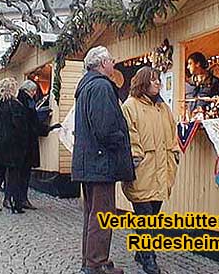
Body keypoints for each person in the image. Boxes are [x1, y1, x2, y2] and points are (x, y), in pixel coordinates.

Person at [72, 46, 134, 274]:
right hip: (101, 162)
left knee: (92, 213)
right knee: (103, 215)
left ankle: (91, 260)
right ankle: (95, 264)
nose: (114, 63)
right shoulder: (101, 87)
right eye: (111, 60)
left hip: (89, 162)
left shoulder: (87, 86)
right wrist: (122, 141)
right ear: (102, 63)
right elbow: (106, 128)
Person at [121, 67, 180, 274]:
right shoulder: (130, 106)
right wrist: (137, 158)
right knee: (144, 216)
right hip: (143, 170)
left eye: (158, 80)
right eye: (153, 80)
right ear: (143, 82)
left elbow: (173, 133)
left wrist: (174, 154)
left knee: (153, 215)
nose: (157, 83)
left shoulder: (163, 108)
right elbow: (129, 135)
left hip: (162, 170)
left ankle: (141, 251)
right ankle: (149, 258)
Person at [0, 78, 30, 214]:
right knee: (14, 174)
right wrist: (23, 143)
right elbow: (21, 128)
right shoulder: (15, 105)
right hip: (13, 146)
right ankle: (15, 203)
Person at [16, 80, 61, 210]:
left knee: (19, 173)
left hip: (22, 143)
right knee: (24, 173)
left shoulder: (20, 101)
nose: (35, 93)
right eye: (34, 91)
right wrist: (47, 128)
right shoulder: (28, 103)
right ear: (28, 91)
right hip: (27, 143)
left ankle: (16, 198)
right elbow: (32, 123)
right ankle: (21, 199)